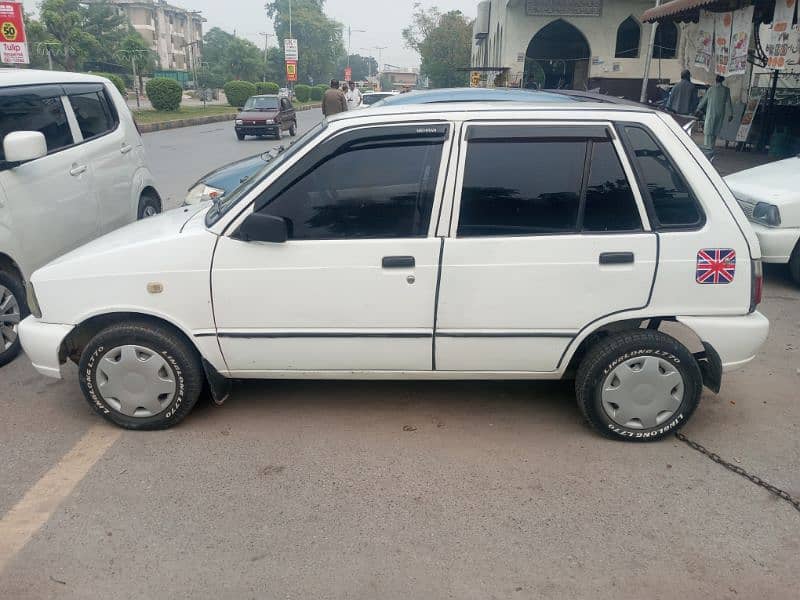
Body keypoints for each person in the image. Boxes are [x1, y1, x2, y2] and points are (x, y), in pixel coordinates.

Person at [696, 75, 733, 155]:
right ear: (722, 80)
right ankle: (711, 147)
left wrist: (698, 109)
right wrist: (731, 114)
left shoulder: (711, 89)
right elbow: (729, 103)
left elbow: (704, 100)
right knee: (715, 130)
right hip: (720, 113)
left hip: (711, 112)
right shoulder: (726, 90)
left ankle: (708, 148)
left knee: (708, 130)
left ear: (716, 80)